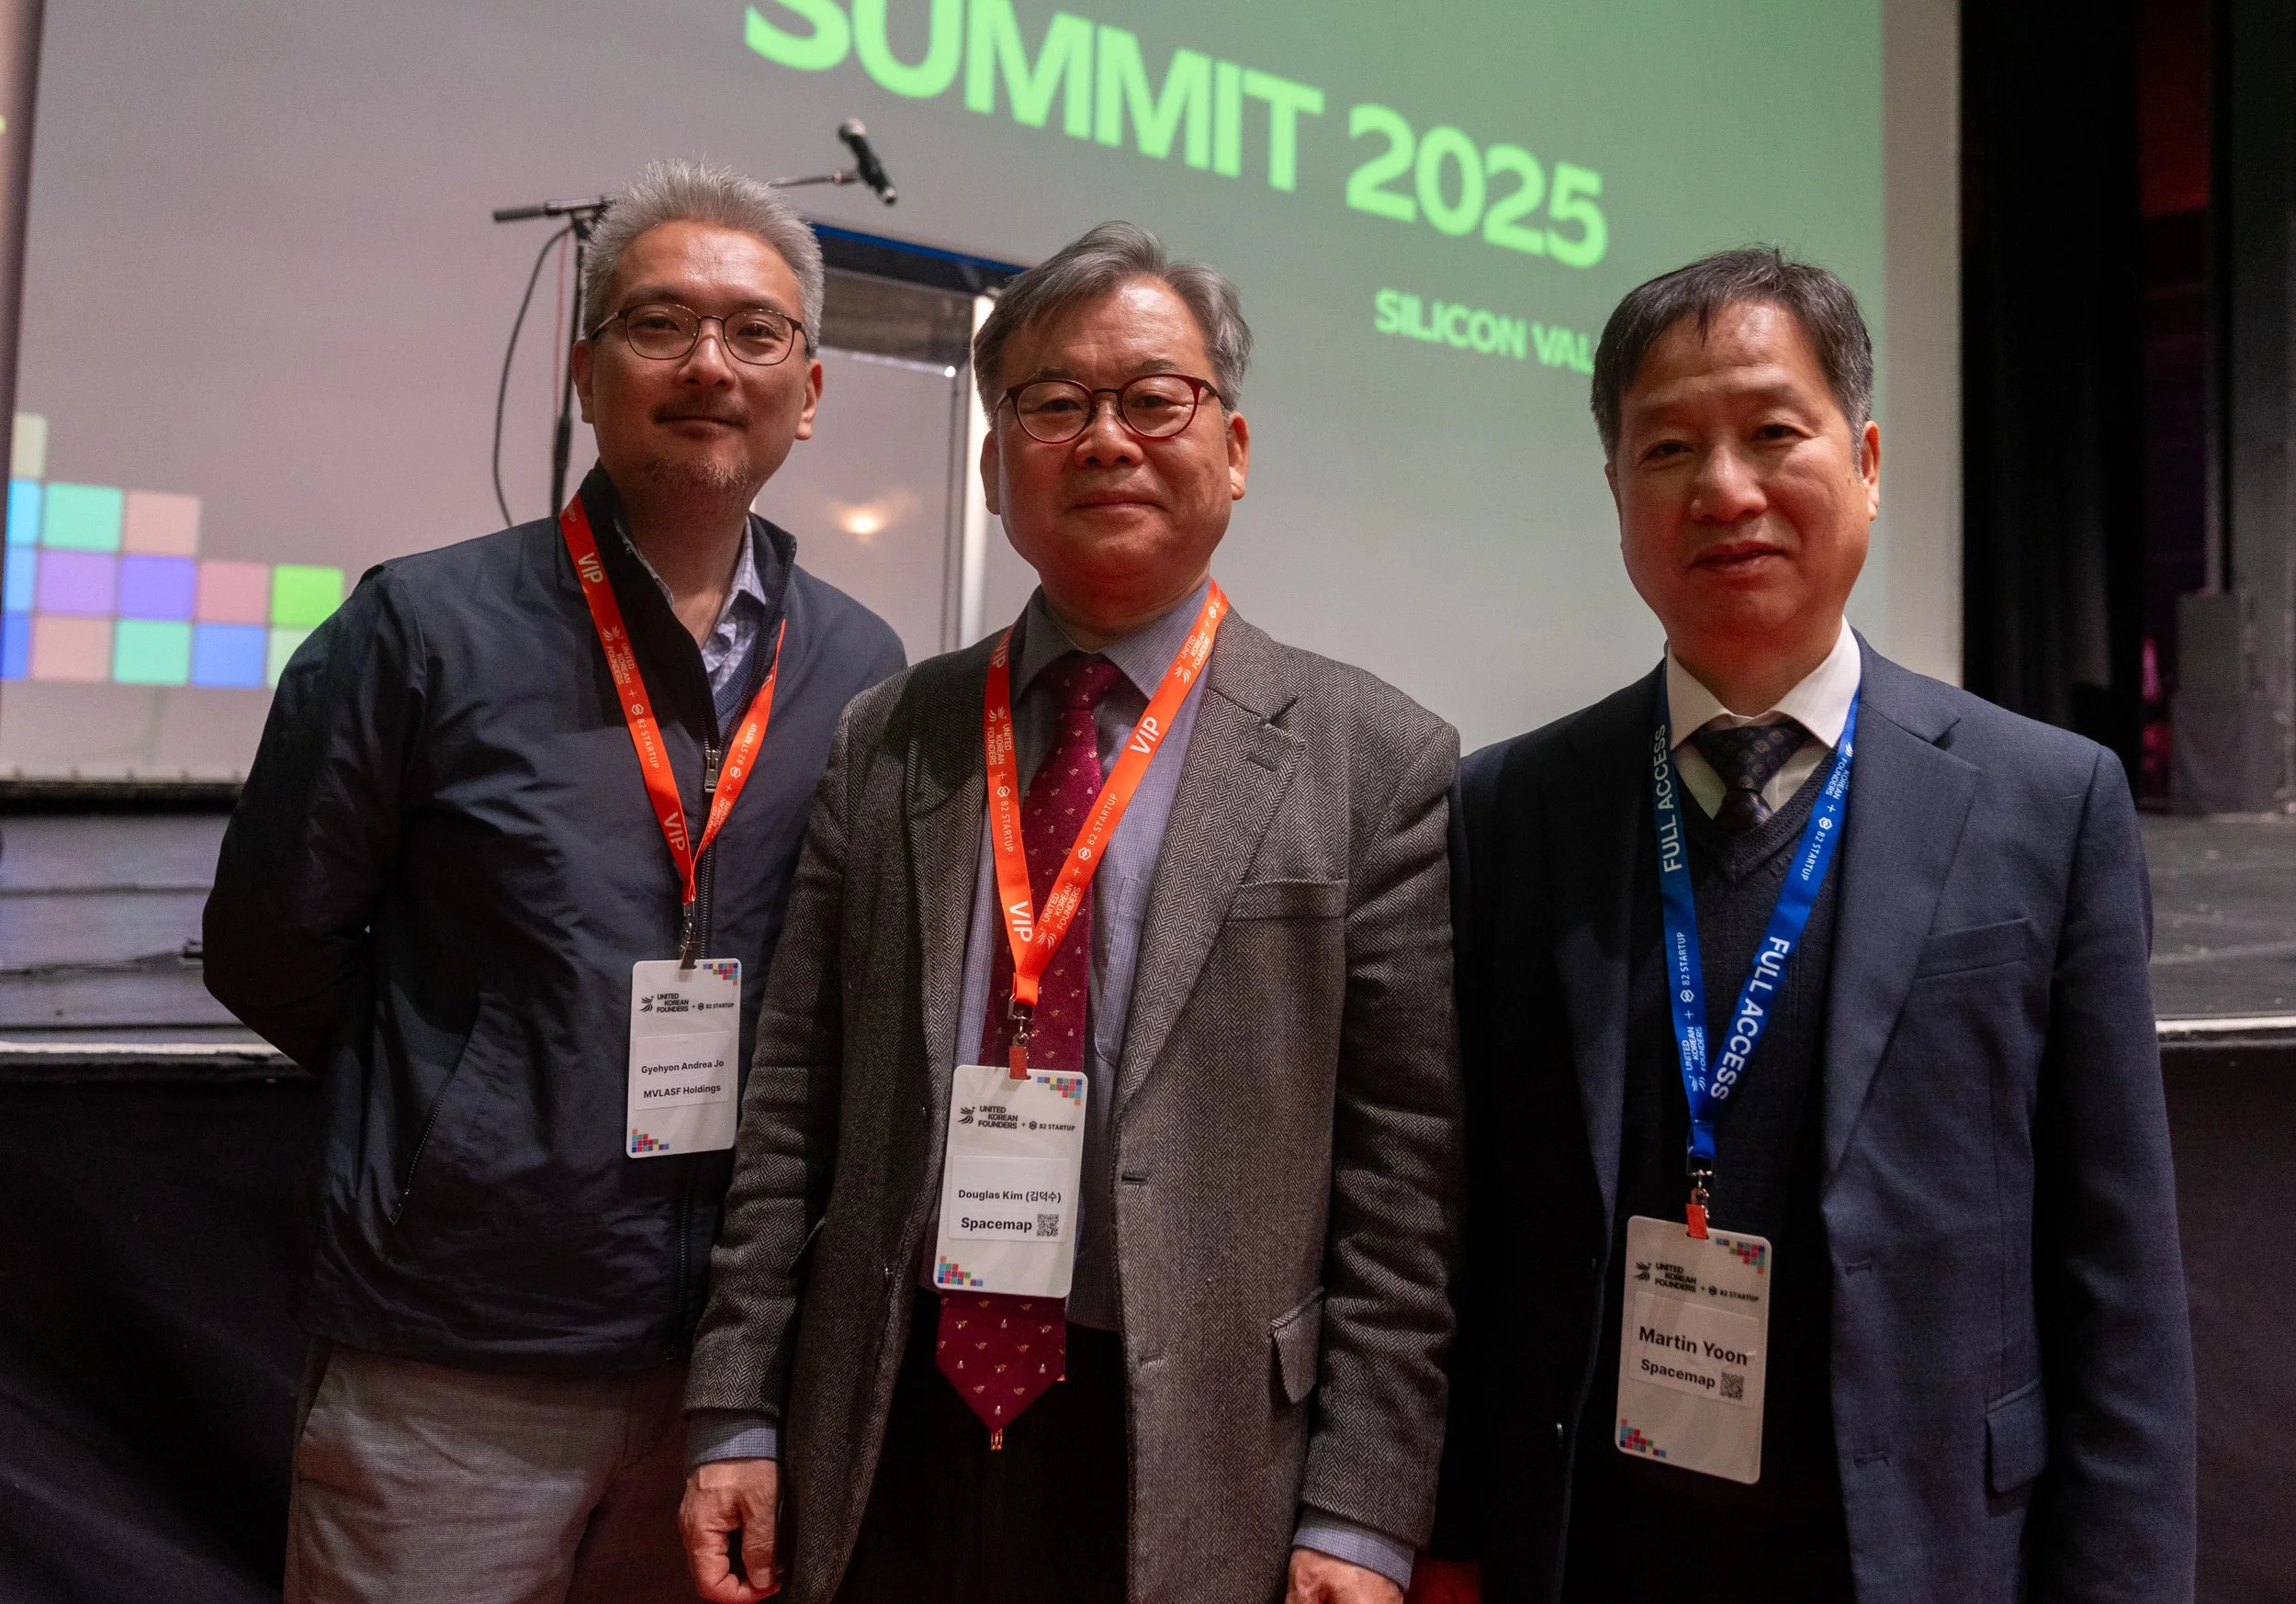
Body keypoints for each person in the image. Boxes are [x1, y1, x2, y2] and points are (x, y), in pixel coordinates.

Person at [677, 220, 1463, 1604]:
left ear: (1233, 446)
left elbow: (1403, 1183)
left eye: (1154, 397)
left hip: (1201, 1446)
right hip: (888, 1416)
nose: (1107, 438)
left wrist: (1362, 1511)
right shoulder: (892, 737)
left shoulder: (1372, 759)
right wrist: (736, 1404)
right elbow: (792, 1097)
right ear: (993, 464)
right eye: (1055, 402)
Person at [1423, 247, 2195, 1602]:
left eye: (1773, 431)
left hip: (1932, 1553)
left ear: (1869, 457)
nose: (1724, 488)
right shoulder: (1513, 808)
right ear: (1616, 494)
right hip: (1596, 1550)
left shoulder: (2046, 801)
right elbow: (1468, 1239)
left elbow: (2115, 1277)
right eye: (1667, 447)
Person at [203, 159, 906, 1602]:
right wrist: (477, 1101)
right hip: (454, 1357)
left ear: (813, 389)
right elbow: (271, 943)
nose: (711, 363)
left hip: (731, 1376)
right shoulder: (423, 625)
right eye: (662, 324)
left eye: (756, 332)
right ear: (588, 370)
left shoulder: (861, 668)